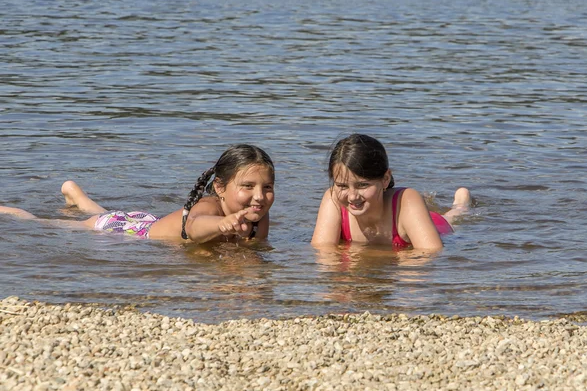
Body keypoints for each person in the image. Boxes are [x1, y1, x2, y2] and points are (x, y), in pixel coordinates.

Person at [0, 144, 275, 243]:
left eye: (267, 188)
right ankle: (10, 210)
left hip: (145, 220)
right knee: (53, 225)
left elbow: (252, 250)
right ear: (220, 188)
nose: (259, 197)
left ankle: (76, 196)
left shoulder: (258, 219)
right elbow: (194, 227)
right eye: (248, 186)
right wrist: (221, 225)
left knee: (104, 213)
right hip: (129, 230)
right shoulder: (210, 207)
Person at [311, 134, 471, 250]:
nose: (352, 196)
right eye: (342, 186)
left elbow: (431, 253)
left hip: (435, 226)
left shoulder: (407, 200)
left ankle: (460, 205)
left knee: (452, 217)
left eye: (362, 185)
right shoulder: (333, 199)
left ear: (385, 179)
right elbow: (323, 253)